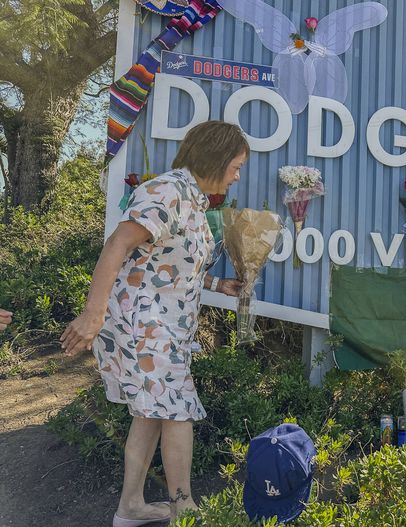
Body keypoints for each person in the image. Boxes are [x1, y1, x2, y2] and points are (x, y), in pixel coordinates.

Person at [60, 121, 248, 526]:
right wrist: (91, 314)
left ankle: (130, 507)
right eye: (235, 167)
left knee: (151, 413)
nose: (237, 176)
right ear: (214, 158)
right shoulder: (166, 191)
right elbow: (118, 245)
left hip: (165, 326)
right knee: (178, 410)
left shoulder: (195, 201)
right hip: (144, 324)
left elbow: (171, 264)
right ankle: (185, 509)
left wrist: (219, 283)